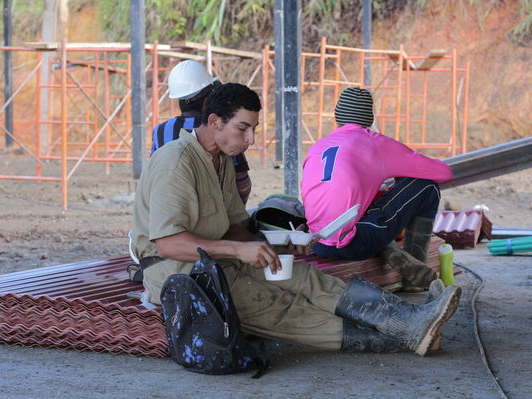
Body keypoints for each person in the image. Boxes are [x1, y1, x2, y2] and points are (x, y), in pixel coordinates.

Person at [130, 82, 461, 356]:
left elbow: (232, 226)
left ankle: (408, 317)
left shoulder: (220, 162)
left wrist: (273, 245)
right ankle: (399, 337)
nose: (250, 140)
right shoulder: (175, 162)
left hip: (217, 261)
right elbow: (169, 243)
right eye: (242, 128)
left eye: (253, 129)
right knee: (278, 307)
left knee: (304, 278)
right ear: (215, 121)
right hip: (178, 274)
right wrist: (237, 251)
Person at [301, 87, 453, 291]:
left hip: (316, 243)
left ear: (337, 116)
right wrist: (398, 175)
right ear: (370, 118)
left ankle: (401, 261)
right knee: (426, 187)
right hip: (355, 243)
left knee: (362, 206)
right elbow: (443, 173)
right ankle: (414, 281)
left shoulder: (317, 146)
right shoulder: (374, 142)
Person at [151, 60, 251, 204]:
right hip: (216, 217)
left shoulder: (160, 131)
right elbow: (242, 184)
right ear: (207, 101)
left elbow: (154, 177)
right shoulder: (225, 130)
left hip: (171, 212)